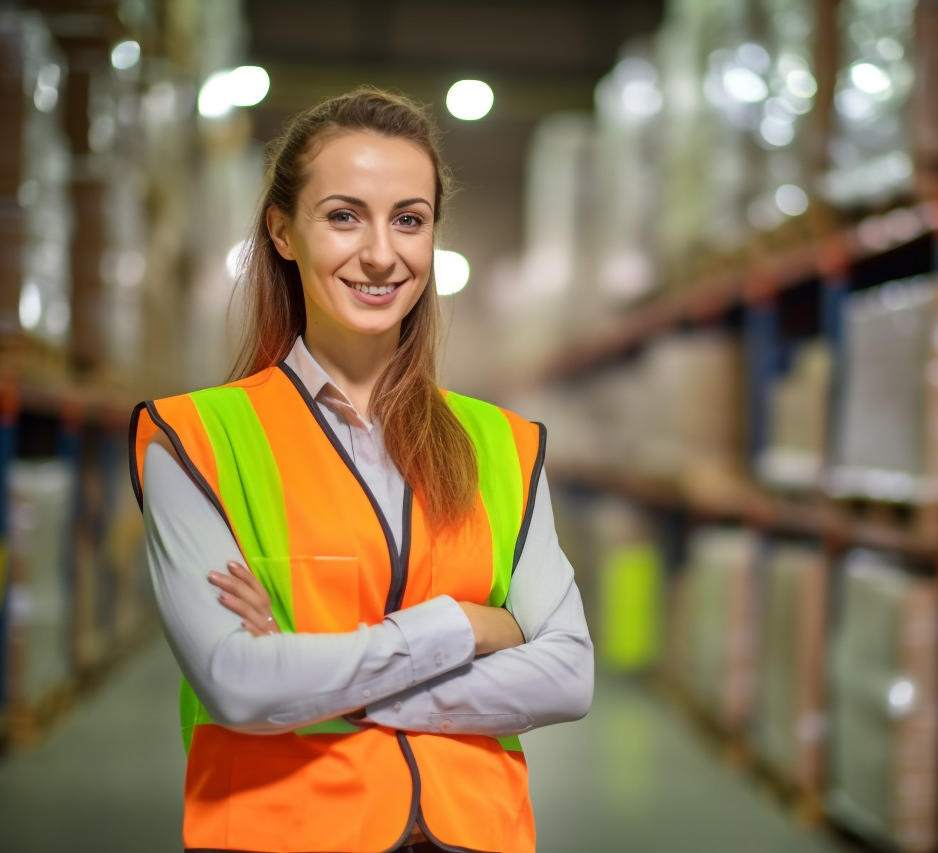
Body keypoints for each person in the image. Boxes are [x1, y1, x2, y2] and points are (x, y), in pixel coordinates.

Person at [129, 86, 594, 853]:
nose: (382, 253)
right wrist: (468, 625)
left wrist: (318, 675)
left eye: (408, 220)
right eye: (344, 215)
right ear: (282, 231)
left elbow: (568, 677)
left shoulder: (504, 444)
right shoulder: (194, 437)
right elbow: (239, 685)